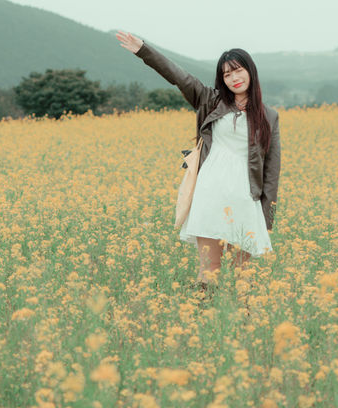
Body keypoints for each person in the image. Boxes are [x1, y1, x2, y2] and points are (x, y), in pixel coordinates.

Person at [116, 31, 281, 289]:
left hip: (244, 197)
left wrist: (266, 215)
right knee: (209, 270)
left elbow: (271, 170)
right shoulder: (210, 100)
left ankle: (247, 324)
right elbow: (178, 76)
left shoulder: (268, 116)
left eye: (238, 71)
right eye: (227, 74)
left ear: (250, 71)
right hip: (211, 193)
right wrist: (143, 50)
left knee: (243, 273)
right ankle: (203, 320)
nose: (234, 78)